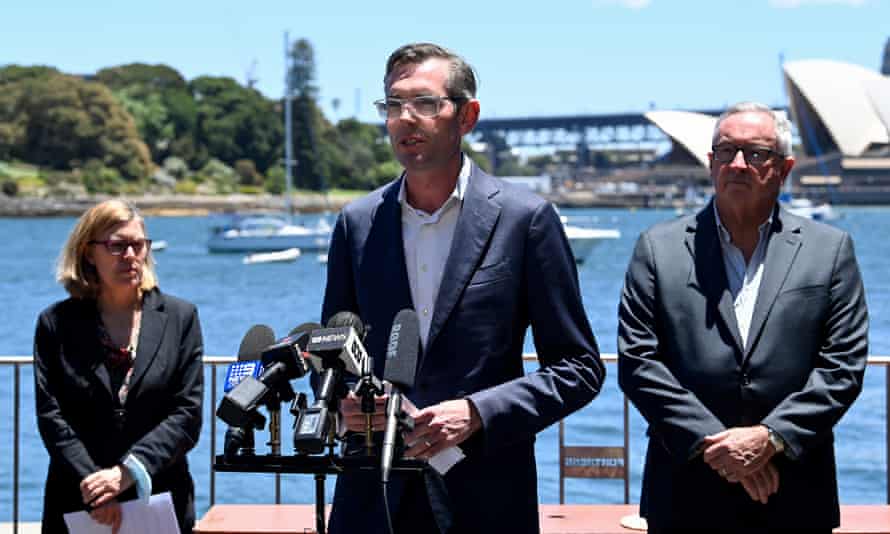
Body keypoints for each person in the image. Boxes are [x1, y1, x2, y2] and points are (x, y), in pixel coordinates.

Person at [321, 42, 605, 534]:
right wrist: (348, 403)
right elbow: (333, 356)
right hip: (372, 500)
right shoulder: (356, 224)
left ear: (467, 116)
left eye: (425, 103)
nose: (406, 118)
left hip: (486, 497)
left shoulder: (525, 220)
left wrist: (478, 412)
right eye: (393, 105)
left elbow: (579, 369)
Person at [618, 102, 868, 532]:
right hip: (686, 489)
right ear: (710, 161)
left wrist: (769, 438)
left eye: (755, 153)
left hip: (793, 490)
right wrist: (717, 447)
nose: (737, 164)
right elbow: (639, 362)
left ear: (784, 167)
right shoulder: (658, 248)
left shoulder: (830, 250)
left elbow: (842, 365)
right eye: (725, 151)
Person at [34, 199, 204, 534]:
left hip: (158, 500)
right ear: (88, 253)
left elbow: (187, 414)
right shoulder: (56, 323)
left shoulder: (181, 318)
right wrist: (96, 486)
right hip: (76, 504)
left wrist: (126, 474)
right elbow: (52, 416)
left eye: (137, 245)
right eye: (116, 245)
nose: (130, 255)